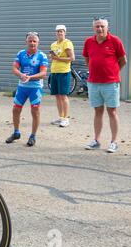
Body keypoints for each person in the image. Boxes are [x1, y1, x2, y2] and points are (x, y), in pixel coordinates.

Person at [83, 17, 127, 153]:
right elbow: (87, 58)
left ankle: (114, 142)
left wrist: (114, 72)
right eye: (97, 26)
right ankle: (96, 140)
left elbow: (123, 60)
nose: (100, 29)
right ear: (93, 28)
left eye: (102, 26)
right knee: (98, 111)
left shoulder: (115, 41)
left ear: (107, 28)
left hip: (110, 83)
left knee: (112, 111)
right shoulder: (89, 42)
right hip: (93, 83)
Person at [6, 32, 48, 147]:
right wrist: (21, 75)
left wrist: (30, 77)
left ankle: (33, 136)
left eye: (34, 41)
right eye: (30, 41)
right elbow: (14, 68)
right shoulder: (21, 54)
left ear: (38, 42)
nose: (32, 43)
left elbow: (43, 73)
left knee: (35, 111)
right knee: (16, 109)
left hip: (35, 88)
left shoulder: (42, 56)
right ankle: (16, 132)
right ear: (26, 42)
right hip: (22, 87)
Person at [49, 25, 75, 127]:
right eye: (58, 31)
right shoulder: (53, 44)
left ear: (65, 33)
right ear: (55, 33)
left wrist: (57, 58)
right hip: (54, 72)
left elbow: (72, 58)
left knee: (63, 96)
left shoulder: (67, 43)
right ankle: (61, 117)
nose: (60, 33)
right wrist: (52, 57)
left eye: (61, 31)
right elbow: (54, 58)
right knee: (57, 96)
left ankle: (66, 118)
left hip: (64, 72)